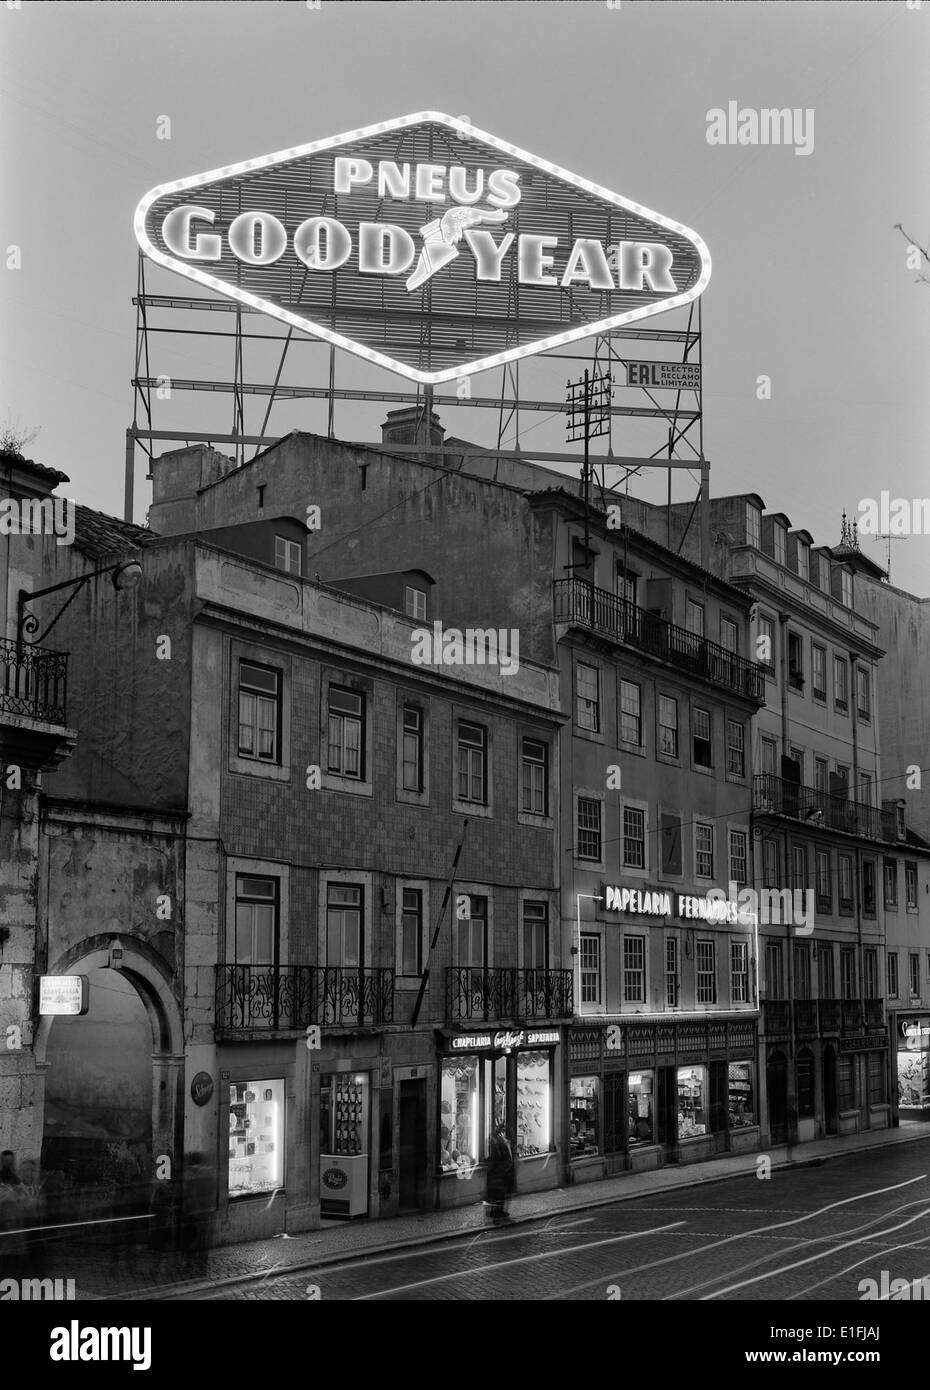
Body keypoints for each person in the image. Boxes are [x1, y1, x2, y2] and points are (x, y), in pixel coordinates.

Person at [485, 1125, 515, 1226]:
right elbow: (498, 1157)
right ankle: (496, 1215)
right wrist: (501, 1170)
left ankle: (499, 1213)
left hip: (504, 1172)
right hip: (500, 1172)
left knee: (502, 1195)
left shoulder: (503, 1141)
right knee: (498, 1195)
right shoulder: (498, 1142)